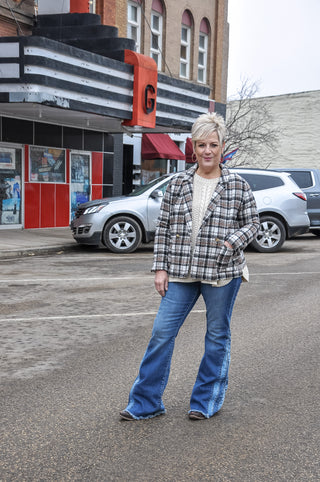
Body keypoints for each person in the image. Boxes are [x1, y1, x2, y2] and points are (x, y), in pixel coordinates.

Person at [120, 112, 260, 421]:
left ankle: (205, 400)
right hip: (181, 271)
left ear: (223, 146)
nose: (207, 151)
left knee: (216, 335)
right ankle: (145, 402)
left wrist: (230, 242)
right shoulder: (179, 183)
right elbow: (165, 228)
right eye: (200, 145)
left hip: (221, 274)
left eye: (213, 144)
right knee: (161, 333)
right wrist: (160, 268)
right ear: (192, 148)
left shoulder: (237, 185)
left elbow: (253, 225)